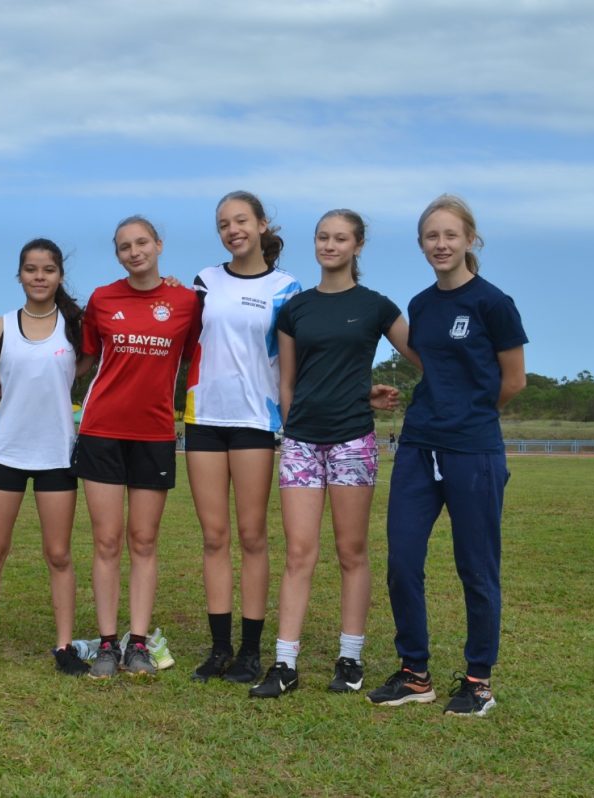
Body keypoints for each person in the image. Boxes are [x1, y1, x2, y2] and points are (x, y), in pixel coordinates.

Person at [368, 194, 526, 716]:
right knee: (403, 561)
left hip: (472, 450)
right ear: (421, 244)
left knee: (476, 568)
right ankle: (415, 674)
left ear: (469, 240)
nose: (441, 244)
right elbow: (430, 365)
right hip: (417, 446)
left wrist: (470, 416)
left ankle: (478, 680)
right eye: (431, 236)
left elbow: (514, 380)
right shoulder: (421, 304)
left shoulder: (493, 302)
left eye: (450, 235)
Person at [249, 209, 417, 698]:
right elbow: (289, 382)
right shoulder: (296, 309)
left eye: (340, 238)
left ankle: (351, 658)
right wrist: (293, 427)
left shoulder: (376, 306)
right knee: (299, 553)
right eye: (323, 237)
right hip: (301, 441)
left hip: (353, 442)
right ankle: (284, 664)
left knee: (351, 551)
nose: (330, 245)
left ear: (358, 246)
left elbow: (424, 354)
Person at [0, 238, 91, 678]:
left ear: (59, 276)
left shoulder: (76, 328)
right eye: (31, 269)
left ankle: (65, 646)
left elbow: (86, 364)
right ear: (19, 275)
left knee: (59, 554)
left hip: (55, 453)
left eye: (47, 270)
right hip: (8, 453)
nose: (39, 277)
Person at [73, 216, 200, 679]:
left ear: (159, 244)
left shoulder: (186, 301)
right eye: (125, 246)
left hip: (155, 434)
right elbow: (84, 361)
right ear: (118, 254)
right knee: (107, 541)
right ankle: (107, 643)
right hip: (102, 431)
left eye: (142, 242)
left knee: (143, 541)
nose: (134, 251)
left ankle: (139, 643)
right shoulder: (103, 300)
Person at [184, 191, 301, 684]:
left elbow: (301, 363)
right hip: (203, 417)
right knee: (214, 538)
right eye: (223, 224)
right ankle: (219, 649)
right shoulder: (203, 282)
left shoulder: (288, 288)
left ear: (260, 224)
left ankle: (251, 652)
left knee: (252, 537)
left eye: (241, 221)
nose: (233, 230)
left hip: (256, 421)